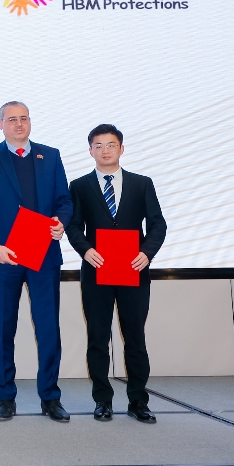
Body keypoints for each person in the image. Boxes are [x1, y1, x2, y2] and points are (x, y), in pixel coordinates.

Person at [0, 101, 73, 423]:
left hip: (44, 254)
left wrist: (61, 222)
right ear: (0, 124)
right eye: (12, 119)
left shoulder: (50, 156)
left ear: (30, 122)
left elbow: (64, 200)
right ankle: (5, 398)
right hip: (5, 256)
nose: (19, 124)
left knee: (48, 327)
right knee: (3, 328)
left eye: (24, 118)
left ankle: (50, 398)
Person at [65, 124, 166, 424]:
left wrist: (146, 253)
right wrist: (85, 250)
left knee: (135, 338)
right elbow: (73, 226)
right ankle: (102, 400)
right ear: (90, 151)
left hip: (134, 270)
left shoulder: (142, 184)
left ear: (121, 148)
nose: (105, 150)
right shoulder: (79, 186)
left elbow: (158, 224)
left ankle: (138, 401)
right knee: (97, 338)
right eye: (98, 145)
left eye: (111, 145)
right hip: (96, 271)